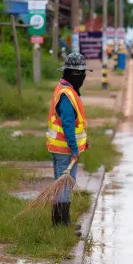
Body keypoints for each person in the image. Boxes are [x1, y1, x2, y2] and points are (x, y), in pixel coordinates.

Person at [46, 52, 93, 237]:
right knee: (65, 186)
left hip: (61, 148)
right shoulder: (67, 94)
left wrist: (83, 141)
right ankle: (62, 224)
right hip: (65, 150)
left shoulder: (66, 89)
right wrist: (74, 149)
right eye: (81, 73)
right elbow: (67, 124)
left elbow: (75, 123)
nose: (83, 77)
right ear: (75, 74)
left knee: (62, 185)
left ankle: (60, 222)